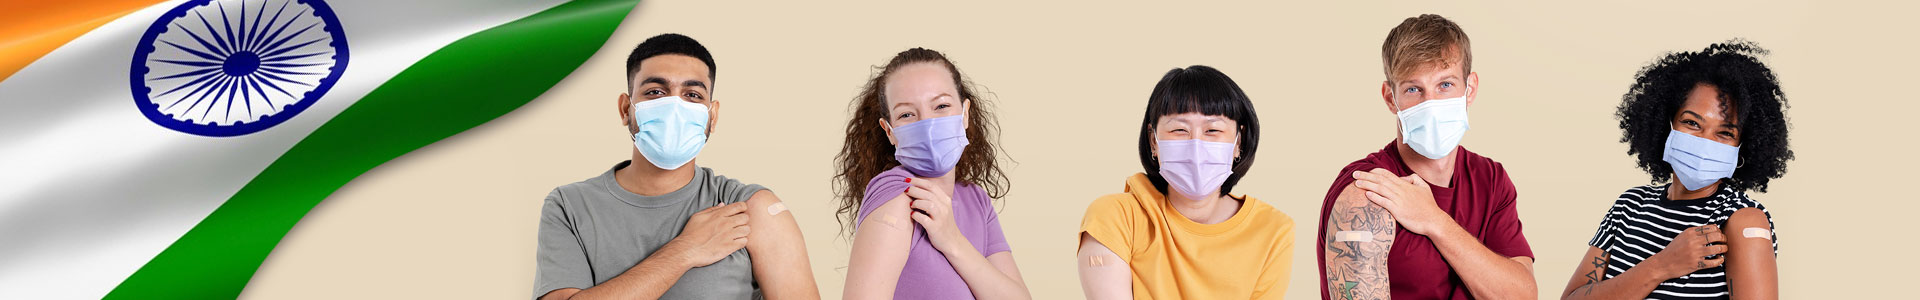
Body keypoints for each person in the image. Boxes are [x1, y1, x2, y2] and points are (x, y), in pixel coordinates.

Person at [532, 33, 820, 300]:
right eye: (656, 92)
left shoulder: (751, 209)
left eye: (692, 95)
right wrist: (685, 250)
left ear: (713, 115)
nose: (674, 107)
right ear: (625, 109)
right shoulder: (569, 206)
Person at [1317, 14, 1537, 300]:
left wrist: (1434, 220)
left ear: (1469, 89)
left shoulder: (1490, 179)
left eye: (1445, 85)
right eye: (1413, 89)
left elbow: (1521, 296)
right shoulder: (1369, 192)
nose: (1430, 104)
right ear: (1390, 98)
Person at [1559, 40, 1788, 300]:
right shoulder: (1628, 206)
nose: (1705, 141)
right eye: (1692, 122)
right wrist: (1662, 265)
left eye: (1724, 133)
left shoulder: (1741, 221)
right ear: (1666, 124)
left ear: (1742, 146)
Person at [1076, 65, 1294, 299]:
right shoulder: (1115, 217)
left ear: (1238, 143)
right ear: (1153, 141)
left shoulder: (1273, 230)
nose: (1196, 146)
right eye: (1179, 129)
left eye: (1212, 130)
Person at [832, 48, 1030, 300]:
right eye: (907, 114)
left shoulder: (975, 200)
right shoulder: (899, 193)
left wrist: (953, 240)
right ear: (889, 131)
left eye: (941, 106)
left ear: (965, 114)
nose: (927, 124)